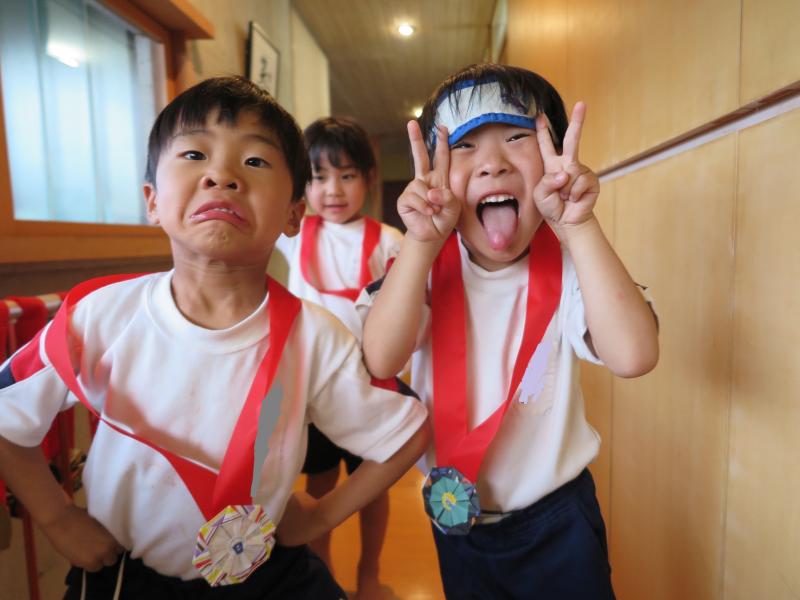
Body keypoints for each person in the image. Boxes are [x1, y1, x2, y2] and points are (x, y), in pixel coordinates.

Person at [0, 76, 429, 600]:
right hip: (120, 576)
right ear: (152, 200)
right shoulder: (98, 314)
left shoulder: (316, 337)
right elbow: (6, 415)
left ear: (295, 212)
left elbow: (406, 433)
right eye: (195, 154)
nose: (221, 176)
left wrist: (320, 517)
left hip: (265, 571)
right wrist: (57, 516)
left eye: (254, 162)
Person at [359, 63, 659, 599]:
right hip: (457, 518)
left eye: (518, 137)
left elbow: (635, 355)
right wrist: (423, 244)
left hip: (558, 519)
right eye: (465, 146)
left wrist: (580, 227)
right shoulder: (420, 269)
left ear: (553, 158)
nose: (492, 164)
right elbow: (381, 359)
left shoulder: (573, 269)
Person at [273, 116, 401, 599]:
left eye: (347, 175)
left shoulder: (390, 241)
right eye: (319, 176)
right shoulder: (293, 232)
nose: (333, 189)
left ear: (369, 179)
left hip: (369, 387)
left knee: (372, 485)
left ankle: (369, 573)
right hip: (309, 390)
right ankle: (321, 568)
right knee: (319, 485)